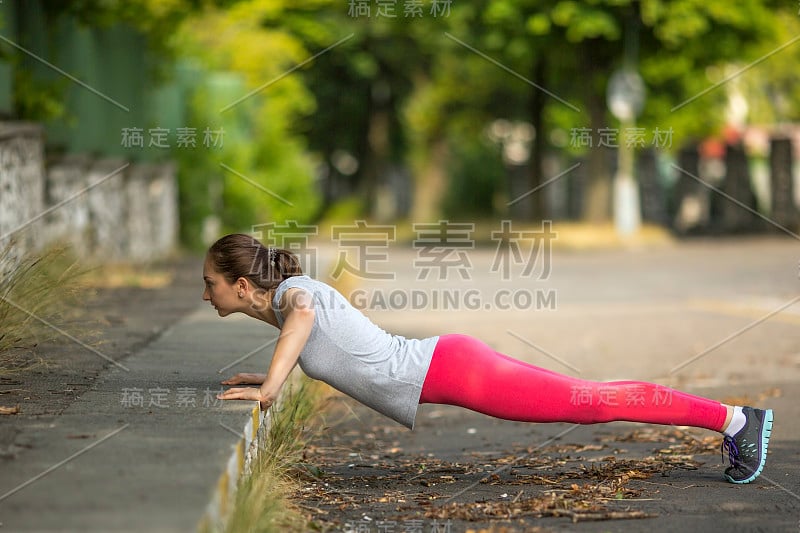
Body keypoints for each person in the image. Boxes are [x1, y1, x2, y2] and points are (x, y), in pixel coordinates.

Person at [204, 233, 773, 485]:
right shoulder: (284, 300)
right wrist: (275, 370)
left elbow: (304, 315)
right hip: (451, 363)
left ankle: (734, 420)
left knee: (594, 403)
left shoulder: (289, 296)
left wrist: (271, 387)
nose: (205, 295)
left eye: (210, 284)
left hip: (456, 370)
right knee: (592, 399)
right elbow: (313, 333)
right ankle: (732, 419)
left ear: (241, 284)